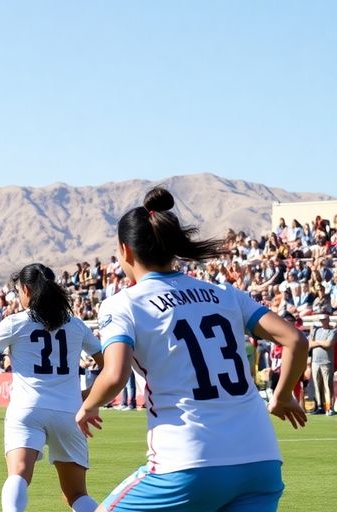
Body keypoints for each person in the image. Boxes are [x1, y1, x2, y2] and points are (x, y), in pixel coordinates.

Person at [76, 187, 308, 511]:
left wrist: (88, 405)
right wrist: (282, 396)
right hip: (262, 460)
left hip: (187, 461)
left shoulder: (124, 304)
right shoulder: (224, 293)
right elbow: (295, 340)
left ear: (125, 251)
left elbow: (115, 375)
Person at [0, 263, 103, 512]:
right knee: (76, 495)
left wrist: (2, 346)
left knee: (18, 476)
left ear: (26, 290)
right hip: (70, 412)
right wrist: (88, 397)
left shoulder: (14, 323)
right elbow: (109, 366)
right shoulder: (75, 325)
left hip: (27, 409)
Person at [308, 312, 335, 415]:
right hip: (315, 362)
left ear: (328, 320)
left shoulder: (333, 331)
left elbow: (328, 344)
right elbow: (310, 344)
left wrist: (317, 342)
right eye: (321, 320)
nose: (322, 322)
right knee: (317, 385)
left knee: (327, 386)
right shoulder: (316, 331)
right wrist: (320, 342)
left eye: (324, 319)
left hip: (326, 362)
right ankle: (320, 406)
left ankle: (329, 407)